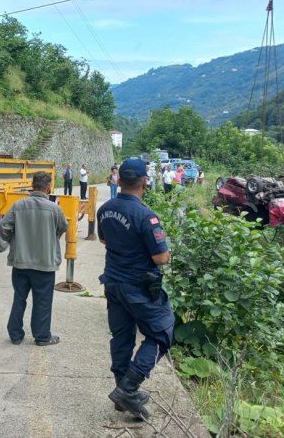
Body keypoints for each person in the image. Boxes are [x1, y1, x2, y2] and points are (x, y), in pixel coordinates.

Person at [97, 158, 174, 420]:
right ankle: (129, 387)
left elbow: (104, 240)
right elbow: (161, 258)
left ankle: (123, 394)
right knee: (163, 332)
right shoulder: (147, 216)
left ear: (118, 180)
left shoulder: (105, 209)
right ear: (145, 182)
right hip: (138, 288)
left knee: (121, 337)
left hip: (113, 284)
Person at [0, 171, 68, 346]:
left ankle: (15, 335)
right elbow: (62, 227)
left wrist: (15, 242)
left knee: (19, 298)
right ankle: (42, 336)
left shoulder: (18, 205)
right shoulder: (54, 208)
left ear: (32, 186)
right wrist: (51, 238)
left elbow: (3, 228)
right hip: (45, 264)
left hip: (20, 263)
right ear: (49, 188)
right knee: (43, 302)